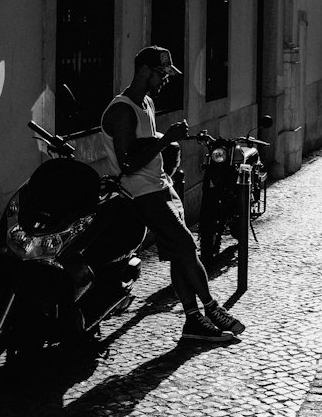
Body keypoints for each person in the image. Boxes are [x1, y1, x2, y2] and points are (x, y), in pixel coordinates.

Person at [101, 46, 245, 347]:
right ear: (144, 71)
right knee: (186, 245)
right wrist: (166, 139)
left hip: (159, 185)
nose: (166, 79)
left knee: (180, 253)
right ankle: (211, 308)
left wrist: (170, 144)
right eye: (162, 73)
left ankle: (193, 321)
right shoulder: (121, 110)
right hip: (140, 192)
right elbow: (128, 161)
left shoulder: (146, 103)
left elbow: (145, 144)